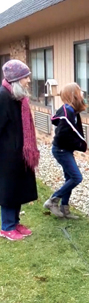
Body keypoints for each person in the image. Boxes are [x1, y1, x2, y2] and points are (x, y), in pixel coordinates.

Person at [0, 60, 39, 241]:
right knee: (8, 190)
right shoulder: (3, 97)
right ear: (16, 79)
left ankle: (15, 223)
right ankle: (6, 227)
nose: (28, 80)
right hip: (6, 156)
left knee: (17, 188)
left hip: (19, 154)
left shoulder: (17, 97)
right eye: (25, 77)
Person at [43, 83, 87, 219]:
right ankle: (53, 200)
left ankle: (64, 209)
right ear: (73, 95)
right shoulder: (67, 112)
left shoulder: (72, 111)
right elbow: (61, 135)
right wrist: (77, 144)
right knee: (76, 177)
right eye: (80, 91)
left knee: (69, 178)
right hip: (61, 150)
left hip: (65, 150)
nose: (83, 94)